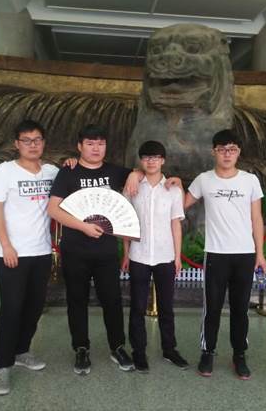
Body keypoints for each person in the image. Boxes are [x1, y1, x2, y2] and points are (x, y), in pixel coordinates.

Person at [48, 124, 180, 376]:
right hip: (75, 249)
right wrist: (83, 226)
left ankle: (117, 347)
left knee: (112, 300)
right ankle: (81, 348)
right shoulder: (68, 172)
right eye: (90, 143)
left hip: (106, 252)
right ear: (79, 146)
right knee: (77, 300)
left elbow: (148, 172)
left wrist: (134, 174)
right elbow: (53, 209)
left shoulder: (114, 171)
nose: (96, 148)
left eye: (100, 143)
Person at [185, 129, 266, 379]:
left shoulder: (250, 180)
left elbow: (256, 218)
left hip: (245, 253)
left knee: (240, 308)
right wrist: (175, 182)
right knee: (212, 307)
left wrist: (260, 254)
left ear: (238, 152)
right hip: (216, 253)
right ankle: (207, 352)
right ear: (214, 152)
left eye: (232, 149)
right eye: (222, 149)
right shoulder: (204, 179)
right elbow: (180, 205)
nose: (227, 154)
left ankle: (239, 354)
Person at [0, 120, 59, 395]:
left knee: (34, 307)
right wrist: (5, 245)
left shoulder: (51, 172)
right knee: (11, 309)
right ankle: (2, 365)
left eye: (37, 140)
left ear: (44, 142)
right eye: (27, 140)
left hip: (41, 252)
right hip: (13, 254)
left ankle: (22, 351)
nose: (33, 145)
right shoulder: (5, 171)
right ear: (17, 144)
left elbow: (71, 184)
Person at [121, 140, 189, 373]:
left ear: (163, 161)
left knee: (167, 307)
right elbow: (125, 222)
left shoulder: (173, 190)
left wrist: (177, 257)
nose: (151, 161)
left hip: (165, 256)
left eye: (156, 157)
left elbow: (176, 225)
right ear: (141, 161)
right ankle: (138, 352)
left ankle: (169, 349)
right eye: (147, 157)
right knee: (137, 307)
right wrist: (126, 253)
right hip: (139, 255)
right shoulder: (132, 187)